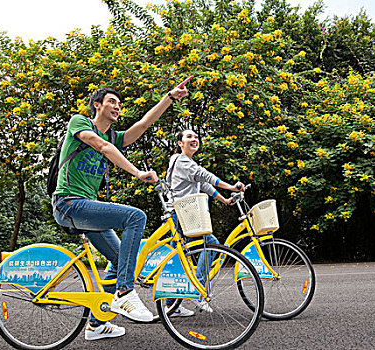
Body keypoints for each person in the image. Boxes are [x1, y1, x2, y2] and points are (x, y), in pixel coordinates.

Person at [52, 78, 192, 341]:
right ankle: (124, 293)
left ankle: (96, 325)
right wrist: (138, 172)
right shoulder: (80, 123)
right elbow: (103, 147)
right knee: (135, 216)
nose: (117, 107)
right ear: (97, 105)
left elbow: (143, 124)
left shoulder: (114, 135)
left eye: (119, 104)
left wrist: (170, 97)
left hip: (87, 208)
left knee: (119, 259)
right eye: (111, 102)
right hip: (69, 203)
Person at [164, 129, 244, 317]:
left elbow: (204, 185)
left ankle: (171, 305)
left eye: (196, 137)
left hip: (185, 212)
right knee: (207, 245)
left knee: (178, 256)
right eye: (189, 137)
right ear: (180, 143)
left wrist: (224, 200)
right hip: (180, 213)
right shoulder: (181, 161)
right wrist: (231, 187)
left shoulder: (188, 162)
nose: (194, 139)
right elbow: (205, 176)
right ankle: (197, 288)